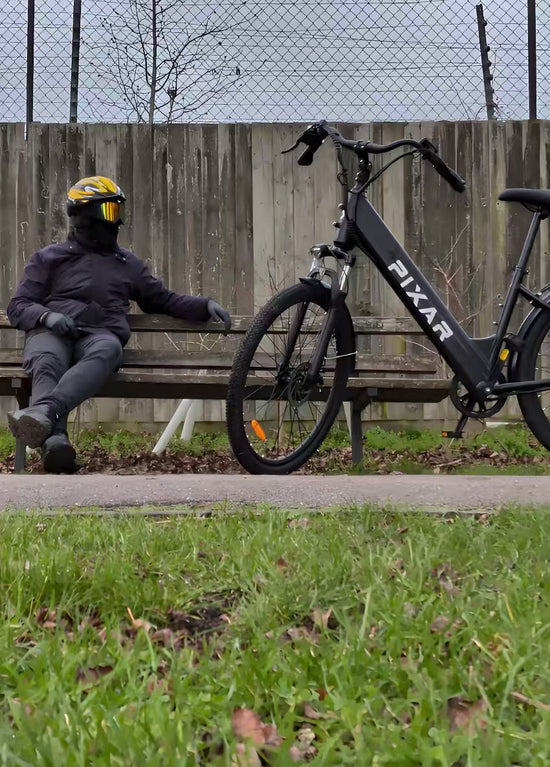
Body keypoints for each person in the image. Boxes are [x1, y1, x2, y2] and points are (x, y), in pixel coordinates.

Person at [6, 175, 231, 474]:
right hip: (52, 332)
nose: (118, 220)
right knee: (47, 360)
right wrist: (47, 317)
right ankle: (56, 443)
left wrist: (203, 305)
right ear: (85, 215)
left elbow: (162, 299)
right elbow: (18, 305)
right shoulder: (50, 258)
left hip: (99, 336)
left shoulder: (127, 263)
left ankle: (44, 412)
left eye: (119, 210)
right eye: (110, 210)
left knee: (109, 350)